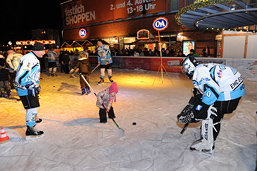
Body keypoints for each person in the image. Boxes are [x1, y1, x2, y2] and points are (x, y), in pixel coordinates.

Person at [177, 57, 245, 154]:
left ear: (190, 67)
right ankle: (209, 130)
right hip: (235, 89)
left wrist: (197, 112)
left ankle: (207, 144)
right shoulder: (200, 68)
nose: (184, 71)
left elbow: (212, 91)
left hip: (230, 93)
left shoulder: (199, 73)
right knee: (212, 109)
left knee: (209, 112)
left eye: (185, 69)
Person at [15, 42, 45, 140]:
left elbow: (32, 74)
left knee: (34, 105)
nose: (44, 53)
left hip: (29, 87)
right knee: (33, 107)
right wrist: (29, 85)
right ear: (37, 50)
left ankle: (32, 120)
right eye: (43, 50)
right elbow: (22, 75)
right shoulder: (29, 58)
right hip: (25, 88)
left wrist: (36, 85)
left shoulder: (32, 57)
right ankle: (30, 129)